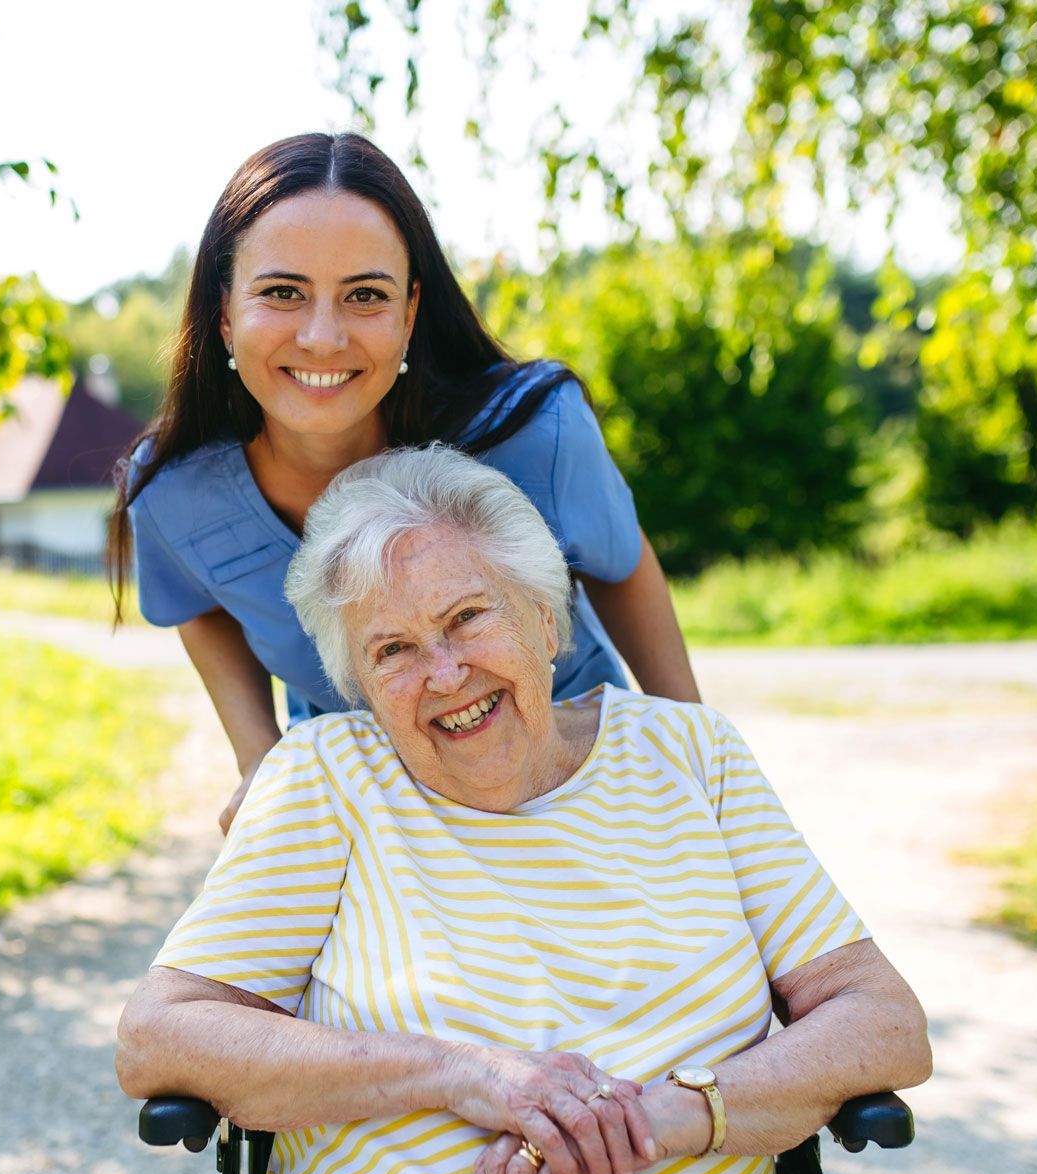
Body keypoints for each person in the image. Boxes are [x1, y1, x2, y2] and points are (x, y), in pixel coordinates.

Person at [117, 446, 932, 1174]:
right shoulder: (328, 779)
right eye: (392, 650)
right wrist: (462, 1075)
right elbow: (160, 1037)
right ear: (357, 682)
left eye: (469, 618)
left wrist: (647, 1120)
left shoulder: (692, 757)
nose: (444, 673)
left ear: (547, 619)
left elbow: (883, 1023)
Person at [109, 132, 702, 832]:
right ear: (226, 315)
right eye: (282, 293)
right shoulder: (174, 494)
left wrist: (695, 752)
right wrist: (259, 757)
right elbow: (195, 600)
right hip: (370, 810)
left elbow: (622, 567)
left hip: (577, 781)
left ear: (410, 312)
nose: (323, 338)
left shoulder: (536, 433)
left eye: (365, 294)